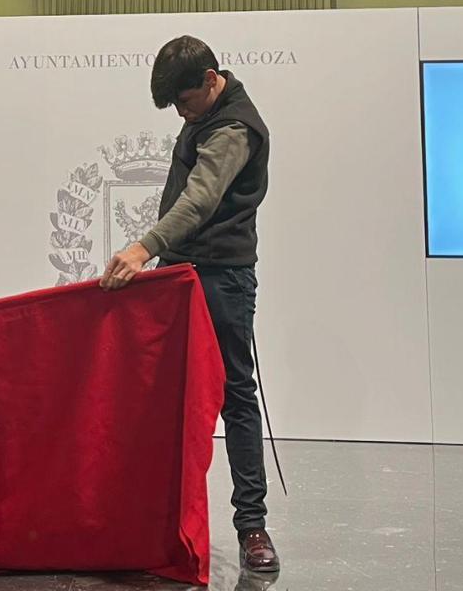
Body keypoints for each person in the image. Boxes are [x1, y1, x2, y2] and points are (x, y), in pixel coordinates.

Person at [102, 35, 279, 574]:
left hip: (222, 279)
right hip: (179, 275)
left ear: (210, 79)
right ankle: (162, 518)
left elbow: (200, 198)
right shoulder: (205, 110)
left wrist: (143, 246)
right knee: (164, 395)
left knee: (234, 398)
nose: (181, 113)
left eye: (185, 102)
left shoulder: (233, 128)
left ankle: (252, 527)